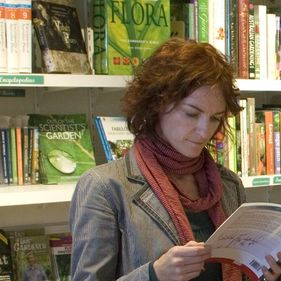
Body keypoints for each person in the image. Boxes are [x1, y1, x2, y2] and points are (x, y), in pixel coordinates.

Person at [69, 37, 281, 281]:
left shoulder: (228, 184)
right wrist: (154, 274)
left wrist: (268, 275)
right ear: (157, 104)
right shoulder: (104, 188)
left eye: (215, 118)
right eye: (192, 114)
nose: (204, 131)